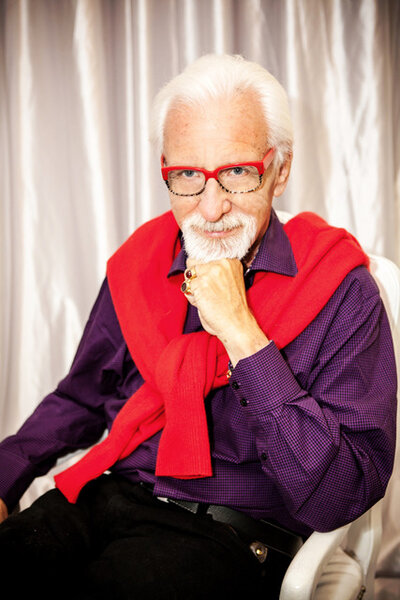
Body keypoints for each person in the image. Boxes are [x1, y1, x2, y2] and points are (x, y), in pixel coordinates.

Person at [0, 54, 397, 600]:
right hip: (103, 498)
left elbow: (342, 492)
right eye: (187, 175)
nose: (210, 209)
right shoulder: (139, 263)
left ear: (279, 169)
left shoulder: (339, 287)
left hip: (229, 533)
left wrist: (242, 332)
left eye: (236, 172)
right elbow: (82, 398)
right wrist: (5, 475)